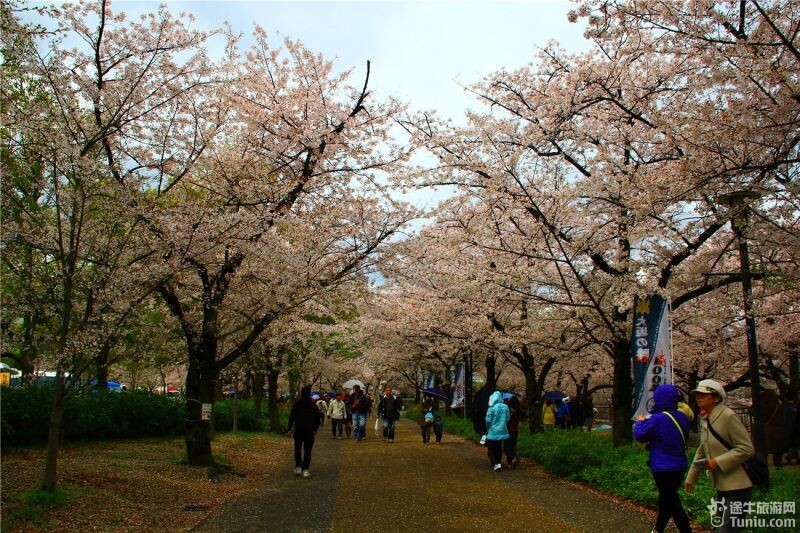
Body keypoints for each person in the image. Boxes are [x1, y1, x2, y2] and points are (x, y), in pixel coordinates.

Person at [685, 379, 754, 533]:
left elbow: (746, 448)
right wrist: (691, 477)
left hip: (739, 485)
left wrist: (717, 462)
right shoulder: (706, 419)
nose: (698, 397)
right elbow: (702, 450)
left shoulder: (728, 416)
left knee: (727, 529)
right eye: (697, 394)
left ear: (716, 398)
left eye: (703, 394)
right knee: (719, 527)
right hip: (721, 485)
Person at [634, 384, 692, 533]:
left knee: (672, 502)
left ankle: (685, 530)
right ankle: (658, 529)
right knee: (667, 499)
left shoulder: (658, 419)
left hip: (662, 467)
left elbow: (640, 435)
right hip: (680, 465)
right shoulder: (683, 417)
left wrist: (640, 421)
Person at [286, 385, 321, 478]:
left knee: (298, 449)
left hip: (300, 430)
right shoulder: (313, 405)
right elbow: (317, 419)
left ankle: (299, 466)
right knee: (307, 450)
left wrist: (289, 429)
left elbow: (292, 417)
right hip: (308, 431)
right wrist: (315, 429)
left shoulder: (297, 404)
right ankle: (305, 468)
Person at [485, 390, 510, 471]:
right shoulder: (505, 407)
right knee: (499, 447)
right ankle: (498, 463)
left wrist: (488, 427)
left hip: (492, 431)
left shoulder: (491, 408)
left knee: (491, 447)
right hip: (502, 431)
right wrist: (503, 425)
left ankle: (494, 462)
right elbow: (507, 419)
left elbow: (488, 420)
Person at [504, 395, 525, 467]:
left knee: (507, 446)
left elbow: (506, 420)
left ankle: (511, 459)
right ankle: (512, 460)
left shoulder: (509, 411)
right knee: (513, 445)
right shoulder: (519, 410)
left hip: (508, 430)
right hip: (515, 430)